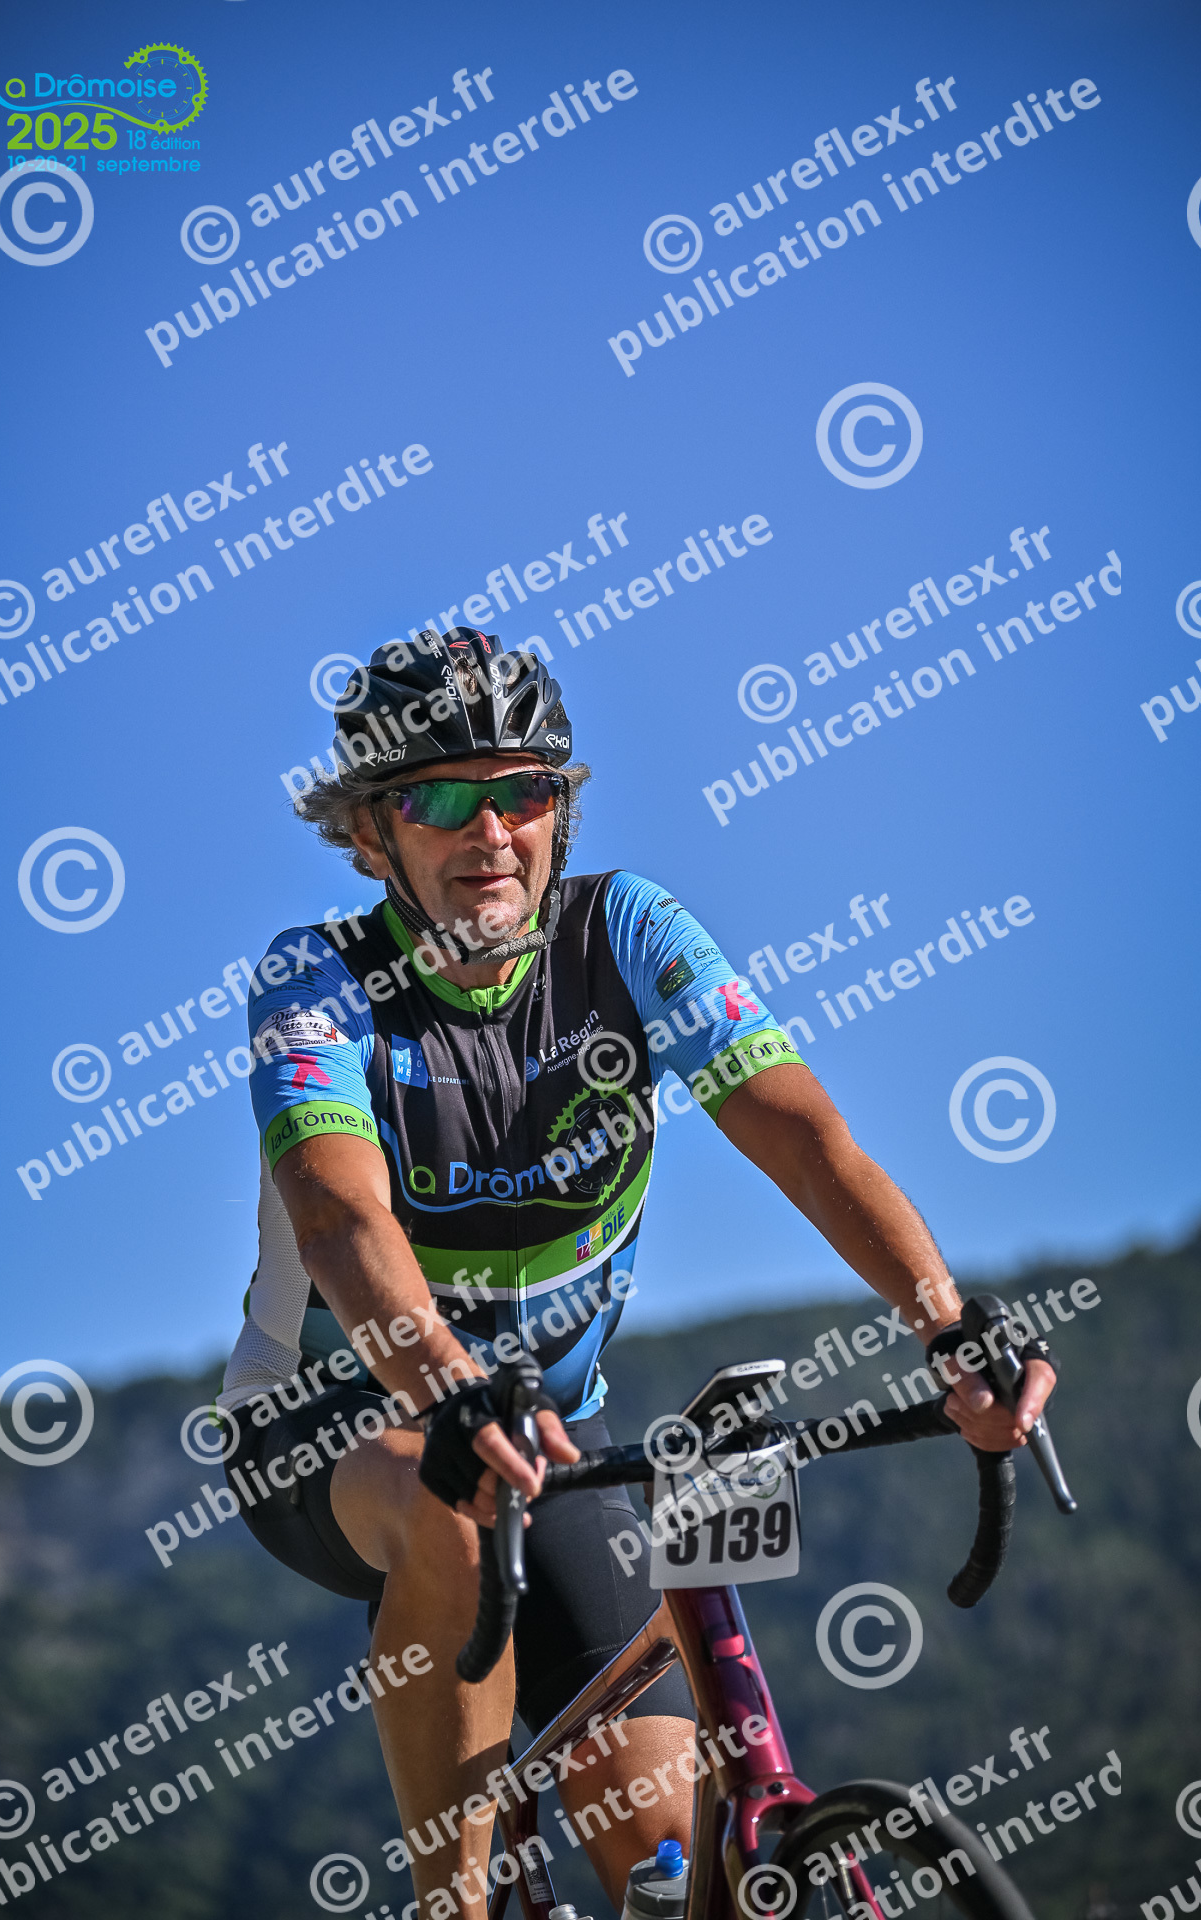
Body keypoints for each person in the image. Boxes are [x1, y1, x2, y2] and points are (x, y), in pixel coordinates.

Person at [219, 626, 1054, 1919]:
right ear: (372, 835)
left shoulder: (628, 934)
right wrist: (447, 1387)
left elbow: (806, 1139)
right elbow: (339, 1219)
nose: (491, 830)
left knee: (669, 1855)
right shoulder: (318, 979)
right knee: (455, 1511)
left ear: (560, 807)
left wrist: (946, 1327)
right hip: (338, 1425)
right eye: (443, 798)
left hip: (556, 1435)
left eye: (523, 791)